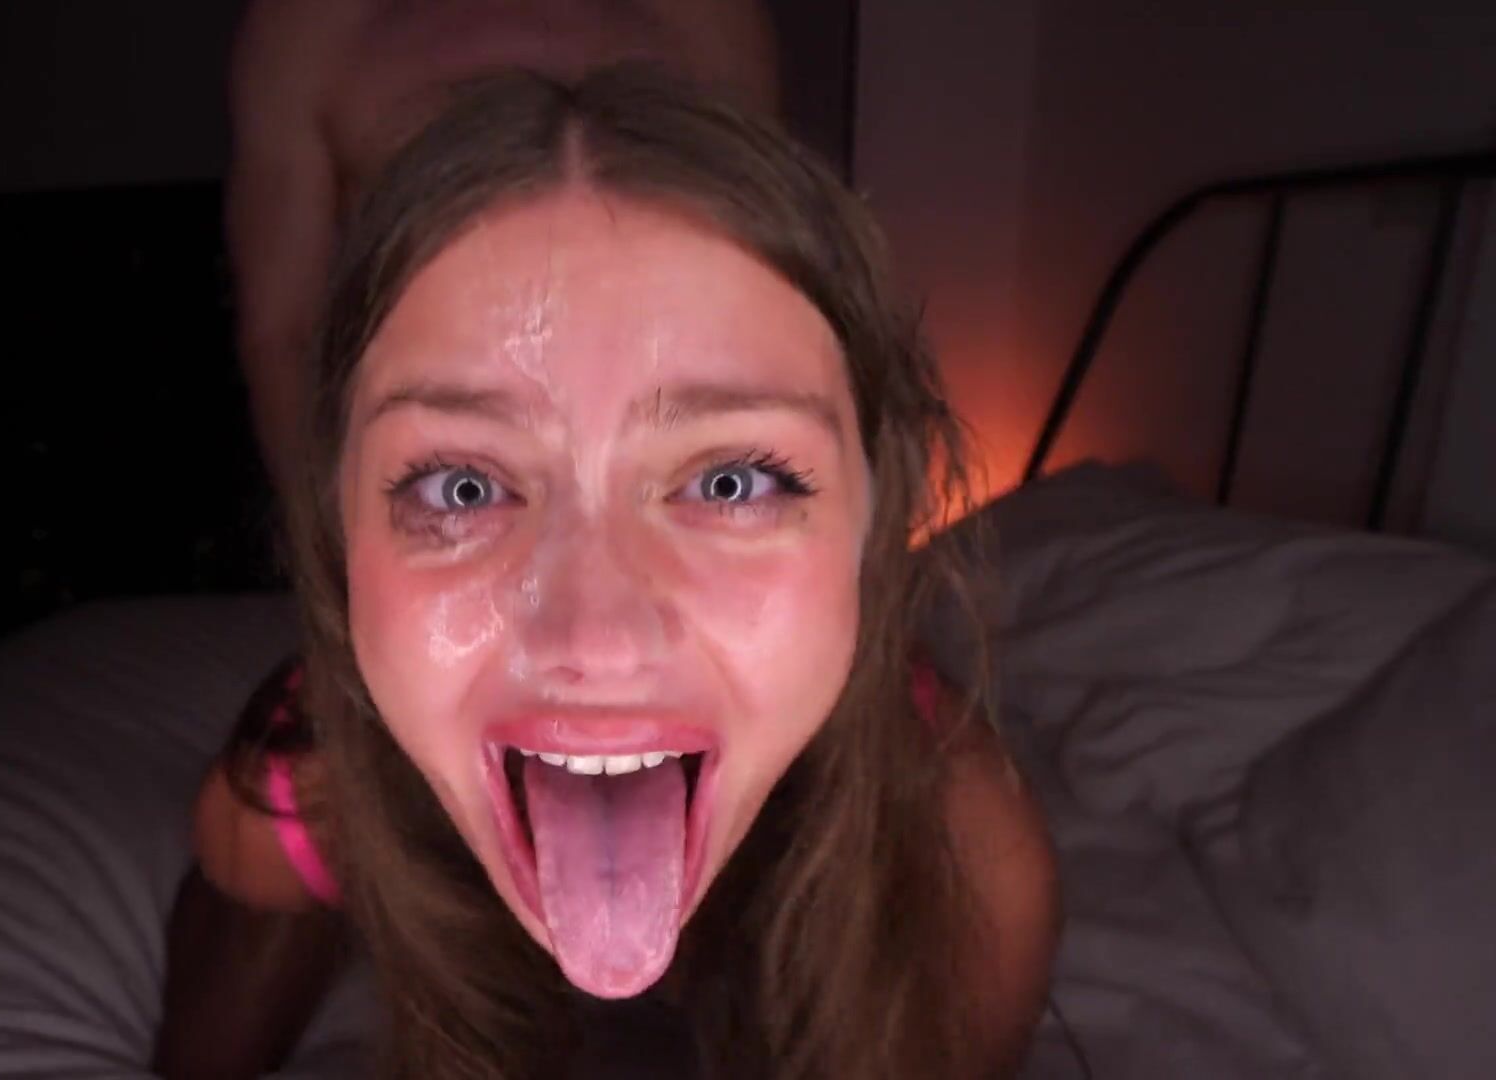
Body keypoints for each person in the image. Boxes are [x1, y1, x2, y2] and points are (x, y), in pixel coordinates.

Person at [158, 69, 1060, 1078]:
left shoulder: (965, 862)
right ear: (339, 533)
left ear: (877, 518)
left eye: (730, 482)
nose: (597, 642)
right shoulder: (288, 796)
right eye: (462, 488)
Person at [223, 0, 781, 500]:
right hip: (436, 440)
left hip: (660, 413)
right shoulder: (305, 27)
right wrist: (328, 541)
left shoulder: (704, 16)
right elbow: (284, 332)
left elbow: (762, 290)